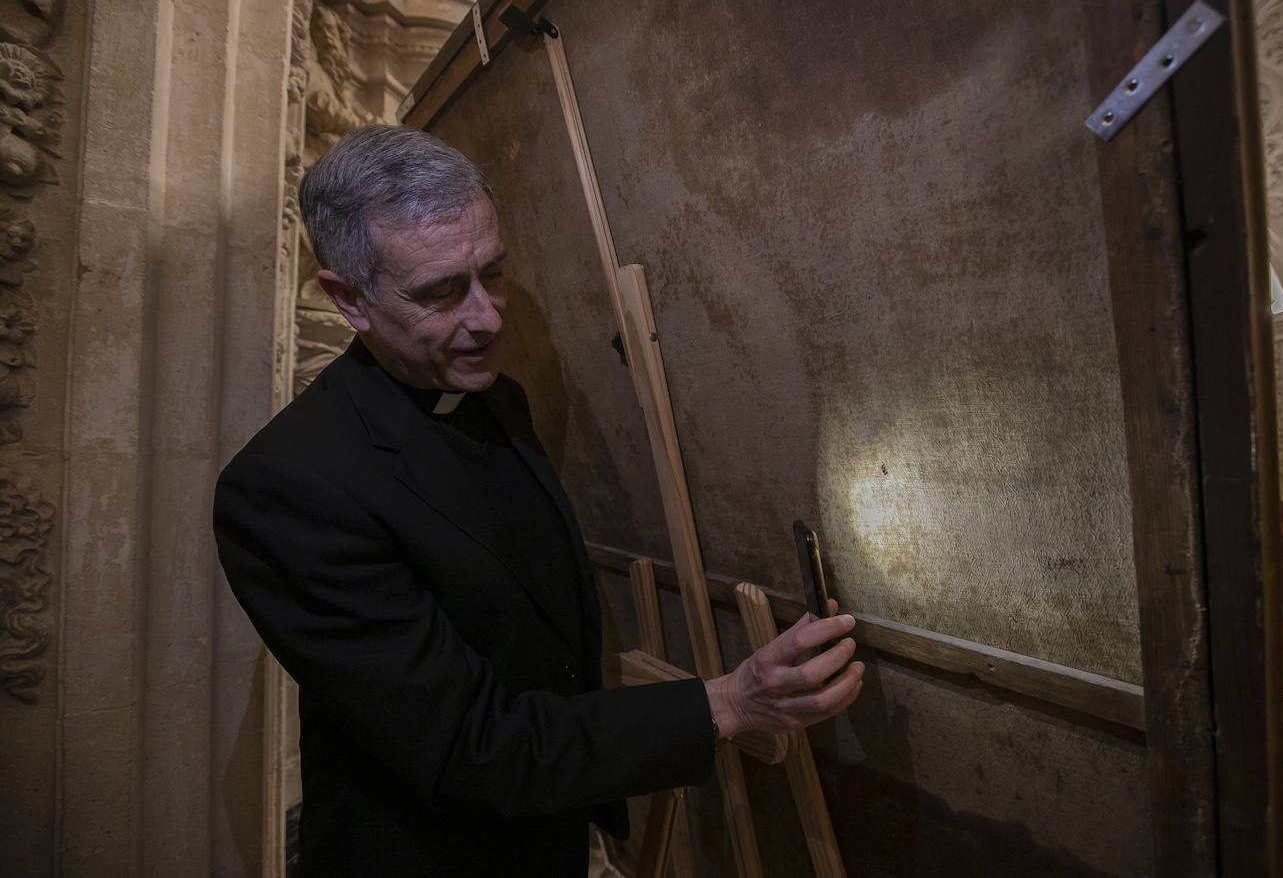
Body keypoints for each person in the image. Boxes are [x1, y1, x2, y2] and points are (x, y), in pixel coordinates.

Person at [213, 125, 863, 876]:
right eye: (440, 293)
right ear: (349, 301)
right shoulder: (287, 487)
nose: (488, 316)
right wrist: (727, 704)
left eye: (493, 272)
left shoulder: (498, 402)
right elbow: (469, 746)